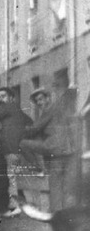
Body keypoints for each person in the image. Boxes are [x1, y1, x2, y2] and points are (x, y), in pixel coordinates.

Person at [19, 75, 79, 211]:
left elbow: (35, 129)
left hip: (54, 148)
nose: (39, 103)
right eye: (37, 101)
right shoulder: (58, 109)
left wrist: (18, 132)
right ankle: (65, 214)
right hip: (67, 151)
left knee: (22, 143)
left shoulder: (48, 110)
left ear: (47, 99)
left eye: (41, 99)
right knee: (65, 186)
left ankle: (39, 169)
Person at [0, 86, 33, 212]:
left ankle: (14, 205)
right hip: (19, 150)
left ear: (11, 98)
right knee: (14, 177)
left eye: (3, 96)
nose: (0, 99)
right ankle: (20, 204)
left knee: (10, 178)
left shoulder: (8, 107)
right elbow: (30, 122)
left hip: (9, 150)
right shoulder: (19, 111)